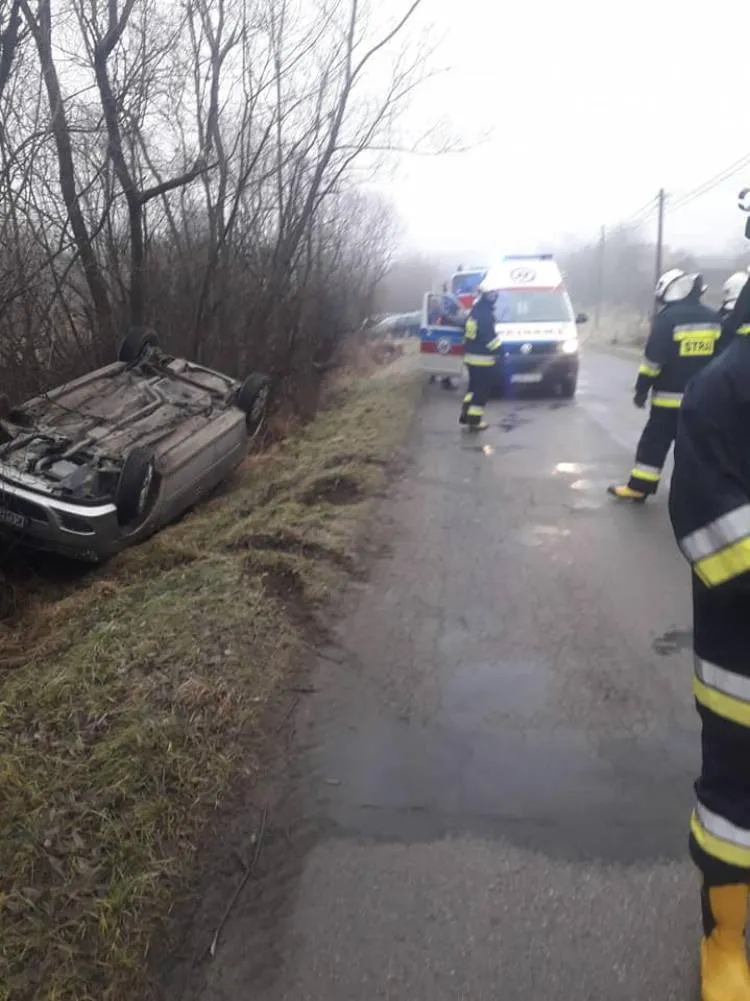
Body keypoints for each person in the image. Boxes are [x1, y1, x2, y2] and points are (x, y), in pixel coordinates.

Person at [669, 273, 750, 1001]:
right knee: (736, 812)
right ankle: (724, 938)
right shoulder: (724, 389)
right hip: (743, 670)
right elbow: (711, 529)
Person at [608, 269, 721, 502]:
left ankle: (639, 487)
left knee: (654, 444)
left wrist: (641, 389)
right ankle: (697, 495)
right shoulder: (714, 318)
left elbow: (653, 361)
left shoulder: (667, 319)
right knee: (695, 449)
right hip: (704, 401)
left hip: (668, 402)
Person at [459, 284, 502, 431]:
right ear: (485, 296)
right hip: (482, 359)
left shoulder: (475, 311)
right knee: (482, 391)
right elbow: (490, 339)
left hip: (471, 358)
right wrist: (503, 352)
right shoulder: (486, 314)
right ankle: (475, 421)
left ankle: (465, 414)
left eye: (495, 294)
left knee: (472, 389)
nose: (494, 297)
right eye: (492, 294)